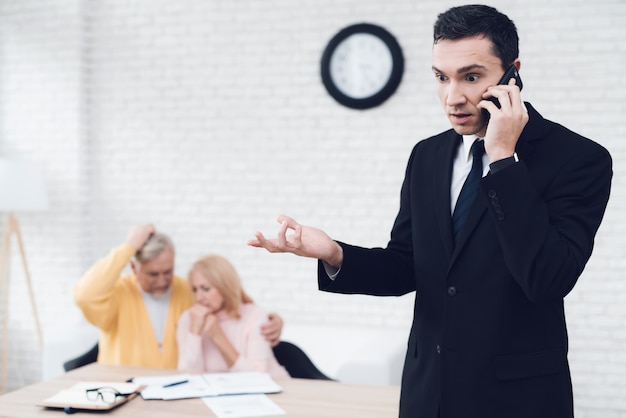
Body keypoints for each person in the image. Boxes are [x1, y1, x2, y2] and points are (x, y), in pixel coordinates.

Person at [248, 5, 612, 418]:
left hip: (516, 400)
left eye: (471, 77)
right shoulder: (428, 156)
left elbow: (548, 278)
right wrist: (335, 254)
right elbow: (407, 266)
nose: (452, 97)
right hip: (428, 394)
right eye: (441, 77)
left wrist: (503, 162)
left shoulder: (579, 159)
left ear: (513, 74)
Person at [74, 224, 284, 369]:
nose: (162, 281)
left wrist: (272, 320)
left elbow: (229, 301)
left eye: (168, 272)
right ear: (134, 267)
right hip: (125, 388)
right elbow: (85, 295)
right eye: (153, 274)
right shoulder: (116, 293)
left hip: (174, 392)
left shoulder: (186, 288)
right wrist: (128, 247)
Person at [176, 254, 289, 378]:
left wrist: (218, 337)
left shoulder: (254, 316)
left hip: (276, 391)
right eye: (194, 289)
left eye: (206, 289)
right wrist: (194, 332)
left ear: (225, 287)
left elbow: (257, 377)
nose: (198, 297)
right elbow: (187, 376)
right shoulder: (188, 318)